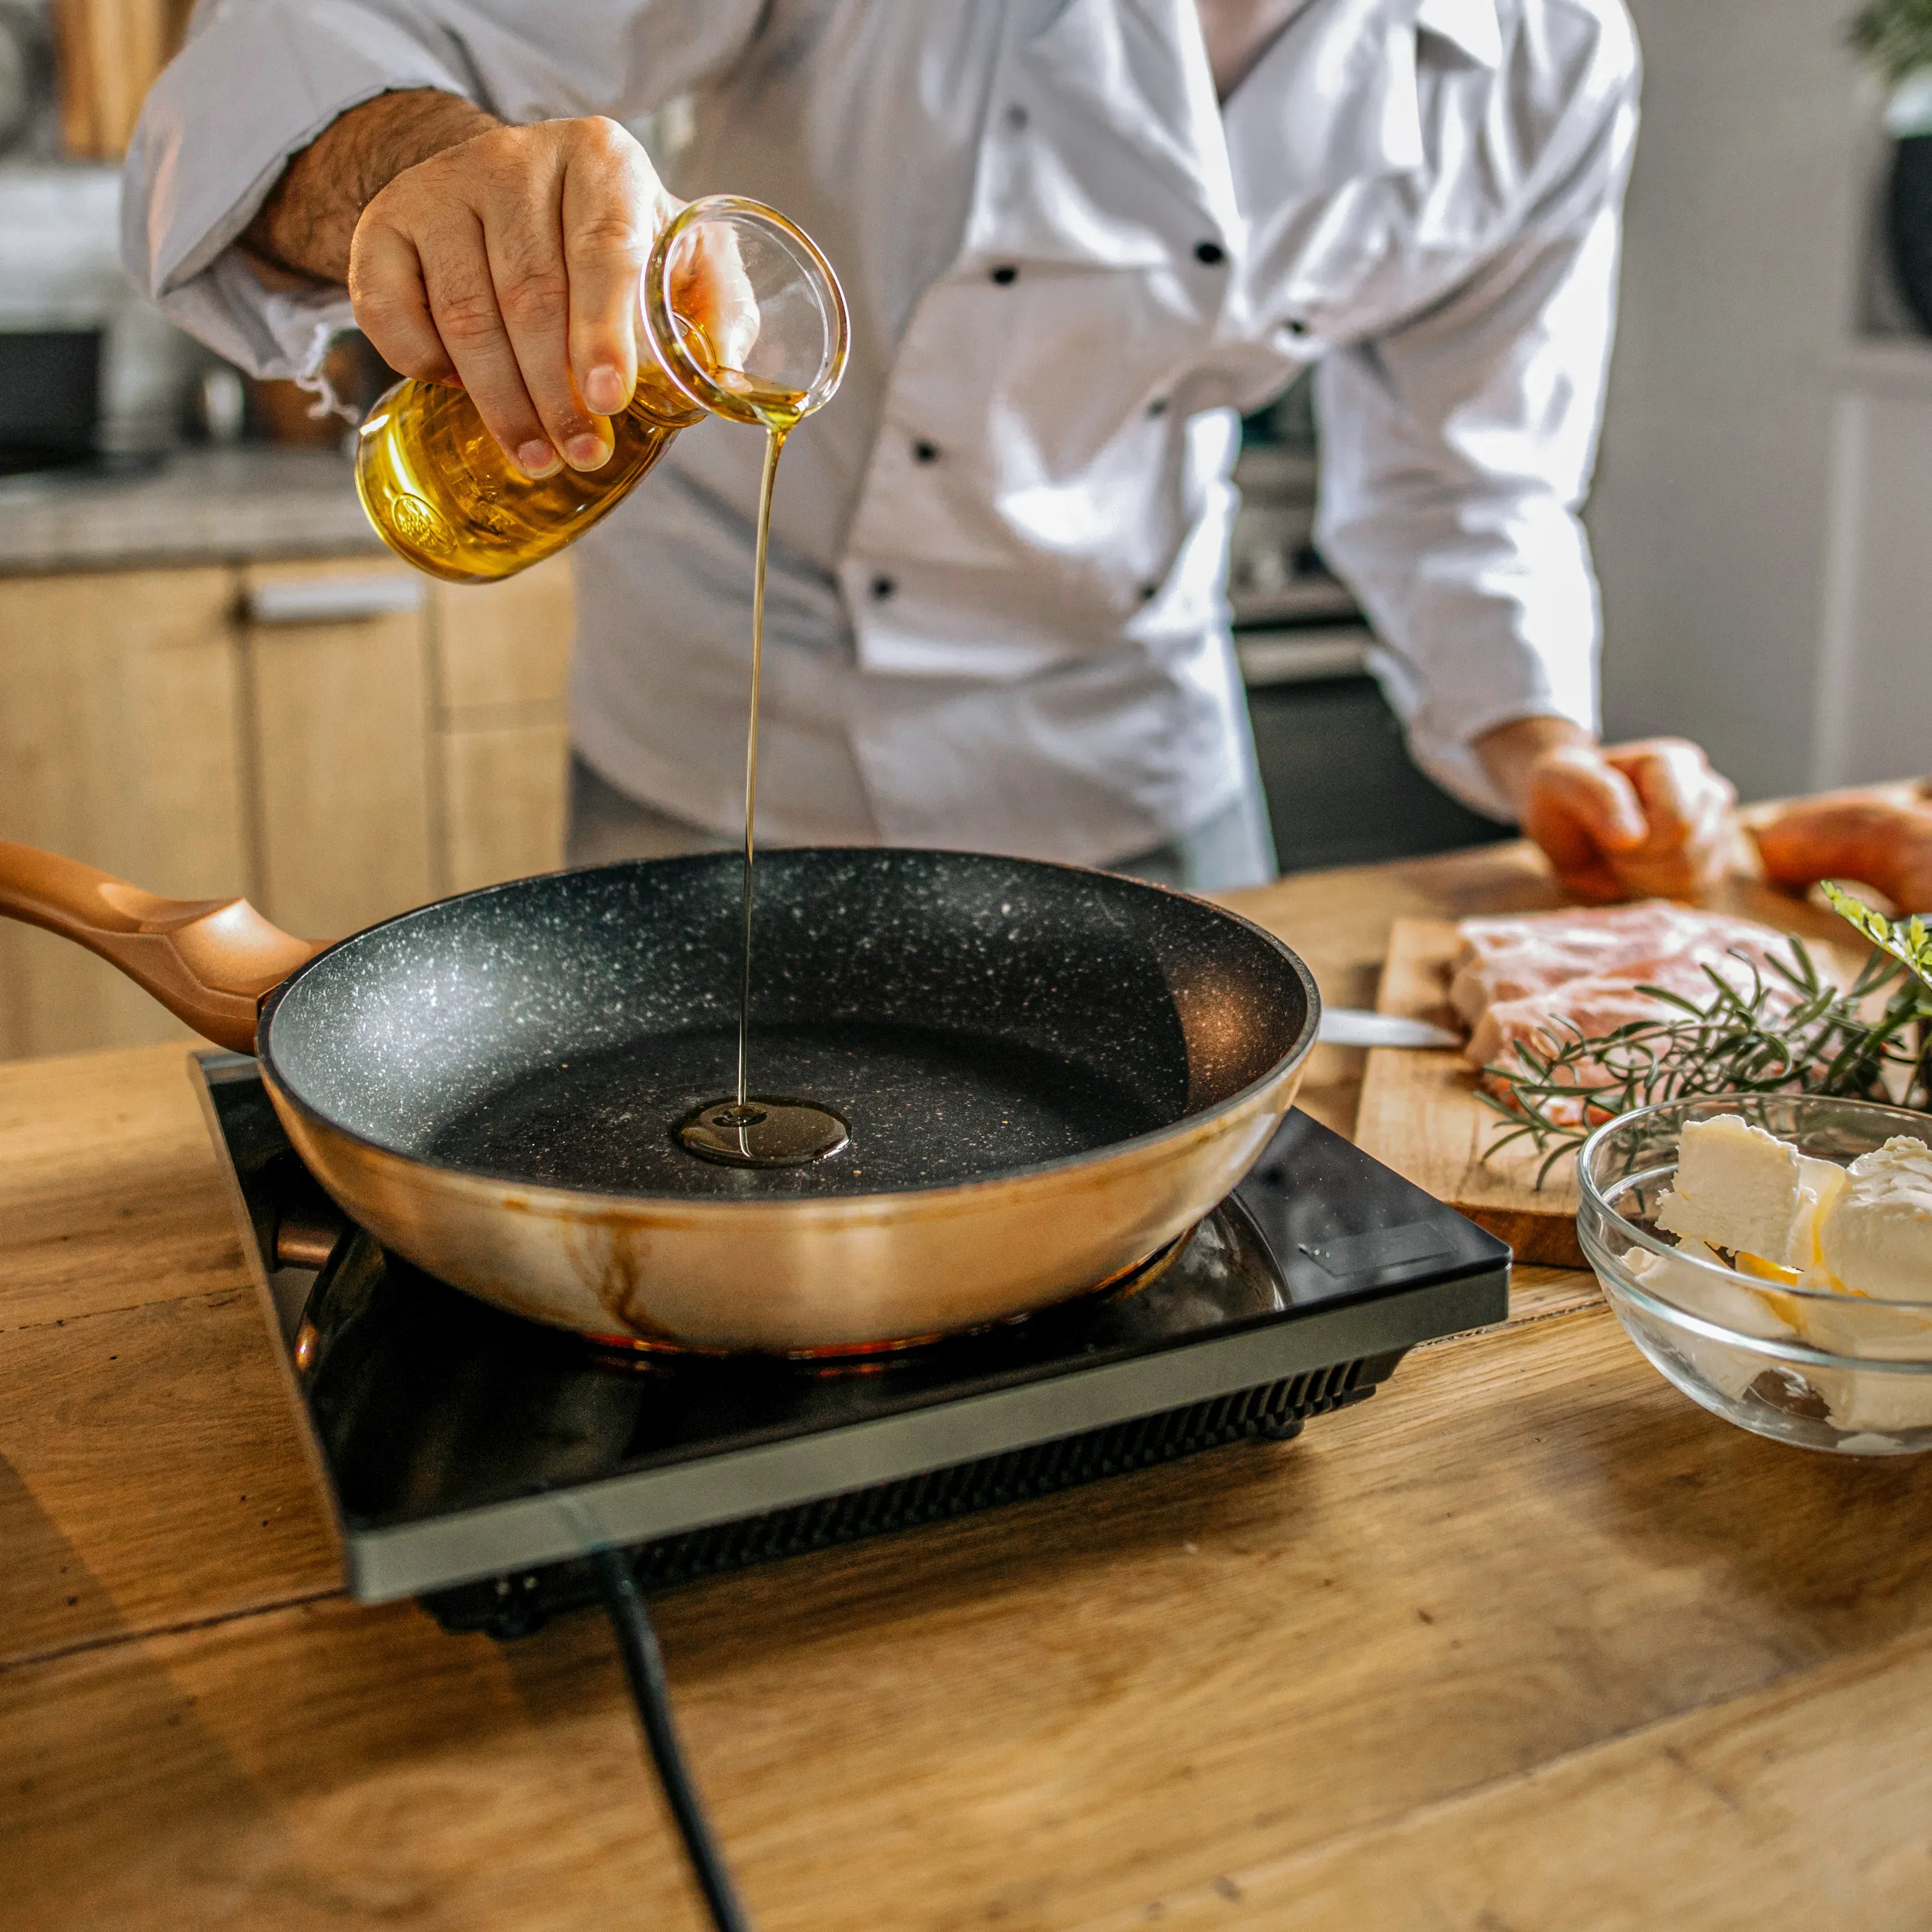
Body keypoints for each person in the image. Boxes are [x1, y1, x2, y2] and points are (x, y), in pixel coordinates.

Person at [124, 0, 1736, 900]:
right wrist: (424, 154)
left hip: (1128, 743)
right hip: (723, 727)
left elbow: (1472, 480)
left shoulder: (1549, 58)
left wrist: (1545, 753)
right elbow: (329, 39)